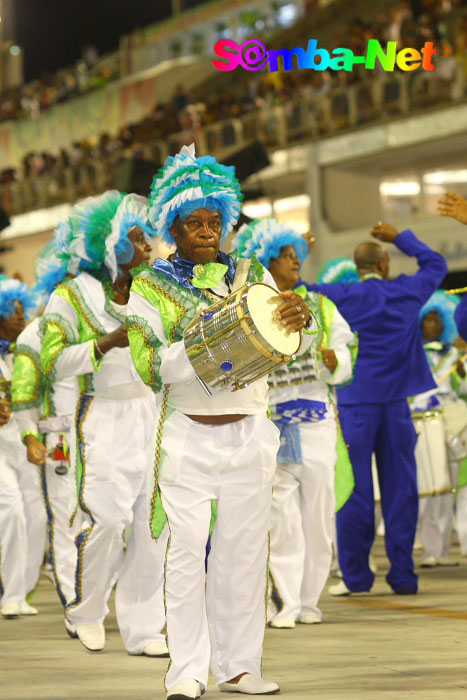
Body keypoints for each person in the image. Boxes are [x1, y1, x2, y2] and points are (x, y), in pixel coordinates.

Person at [127, 144, 316, 700]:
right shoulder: (151, 286)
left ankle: (239, 666)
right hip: (189, 432)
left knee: (244, 552)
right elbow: (146, 364)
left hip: (251, 431)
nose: (207, 231)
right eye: (194, 223)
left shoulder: (252, 272)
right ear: (173, 226)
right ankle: (186, 669)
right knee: (187, 551)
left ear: (226, 222)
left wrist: (300, 322)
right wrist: (208, 342)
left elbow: (288, 341)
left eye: (215, 221)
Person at [40, 191, 169, 656]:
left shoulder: (151, 291)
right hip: (102, 415)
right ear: (110, 247)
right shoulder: (72, 295)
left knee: (150, 524)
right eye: (136, 236)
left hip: (148, 413)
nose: (148, 242)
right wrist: (104, 344)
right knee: (108, 519)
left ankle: (143, 627)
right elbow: (51, 363)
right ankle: (87, 610)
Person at [307, 221, 447, 596]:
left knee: (354, 491)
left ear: (358, 268)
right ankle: (402, 575)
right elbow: (435, 264)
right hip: (397, 405)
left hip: (354, 404)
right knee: (401, 489)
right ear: (384, 263)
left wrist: (299, 253)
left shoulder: (340, 294)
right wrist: (401, 237)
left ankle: (356, 578)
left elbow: (293, 288)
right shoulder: (406, 291)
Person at [232, 218, 355, 628]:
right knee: (281, 520)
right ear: (268, 262)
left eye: (296, 256)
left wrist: (338, 362)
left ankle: (309, 602)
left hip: (317, 422)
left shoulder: (320, 305)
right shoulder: (254, 305)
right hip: (274, 424)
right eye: (286, 256)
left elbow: (343, 347)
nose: (294, 261)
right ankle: (285, 601)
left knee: (318, 521)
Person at [11, 220, 81, 624]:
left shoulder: (102, 325)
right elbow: (24, 395)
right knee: (64, 516)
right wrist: (29, 436)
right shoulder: (33, 337)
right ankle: (74, 601)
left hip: (104, 434)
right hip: (59, 440)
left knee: (110, 518)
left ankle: (99, 595)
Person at [0, 278, 47, 618]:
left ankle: (23, 588)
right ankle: (11, 593)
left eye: (22, 311)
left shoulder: (27, 353)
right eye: (13, 312)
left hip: (24, 443)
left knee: (38, 516)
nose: (21, 317)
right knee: (12, 511)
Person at [412, 291, 463, 567]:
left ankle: (441, 550)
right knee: (428, 486)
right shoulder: (413, 351)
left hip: (450, 425)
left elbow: (461, 390)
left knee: (446, 487)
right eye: (427, 319)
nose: (432, 325)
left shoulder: (454, 354)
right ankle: (429, 547)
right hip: (421, 423)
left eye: (437, 320)